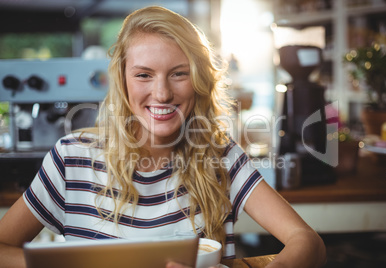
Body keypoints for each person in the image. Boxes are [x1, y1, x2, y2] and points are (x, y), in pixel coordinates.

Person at [0, 6, 326, 268]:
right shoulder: (71, 158)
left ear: (198, 79)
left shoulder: (222, 157)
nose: (162, 93)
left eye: (178, 74)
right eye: (144, 75)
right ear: (123, 80)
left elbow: (307, 240)